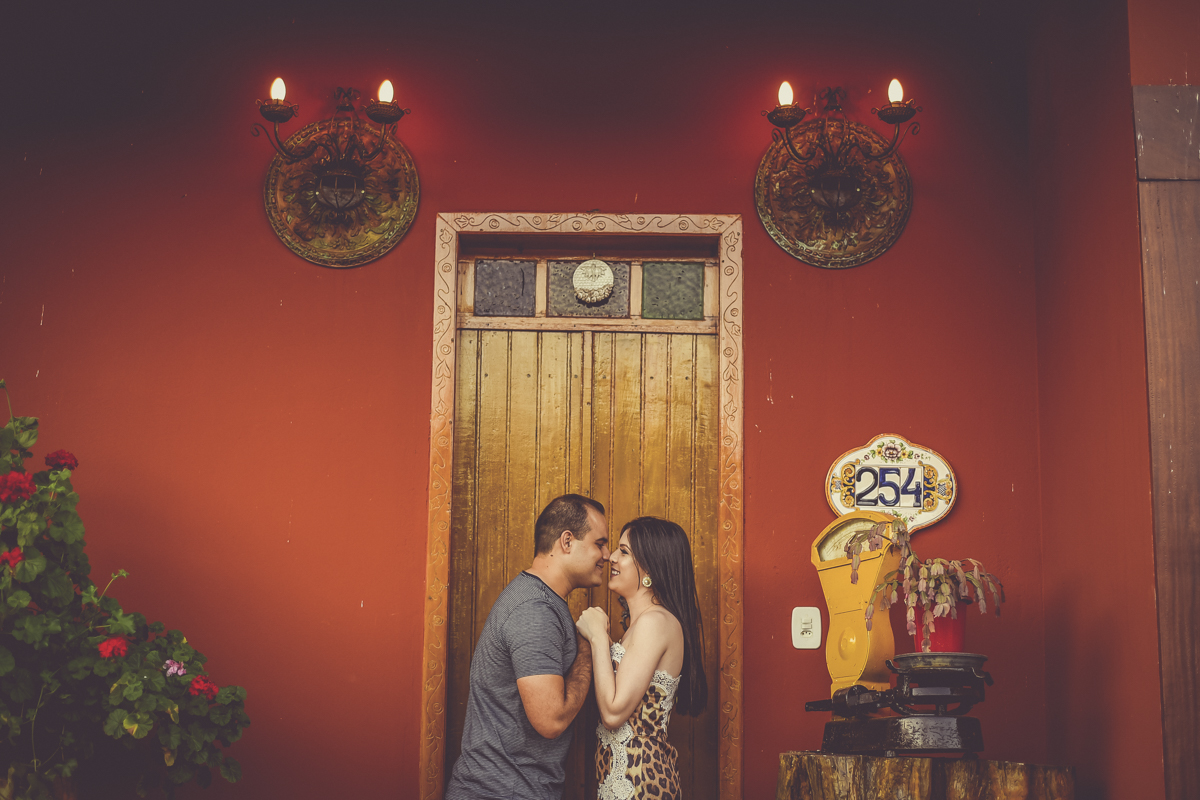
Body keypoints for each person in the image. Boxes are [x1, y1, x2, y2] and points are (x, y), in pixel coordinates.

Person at [446, 494, 611, 800]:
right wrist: (589, 647)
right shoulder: (534, 609)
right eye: (599, 543)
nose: (607, 554)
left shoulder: (543, 602)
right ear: (566, 541)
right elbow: (551, 720)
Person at [575, 517, 707, 800]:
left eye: (624, 551)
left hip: (643, 781)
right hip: (624, 778)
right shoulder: (643, 624)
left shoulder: (655, 622)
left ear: (649, 567)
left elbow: (613, 713)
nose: (611, 556)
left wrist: (598, 638)